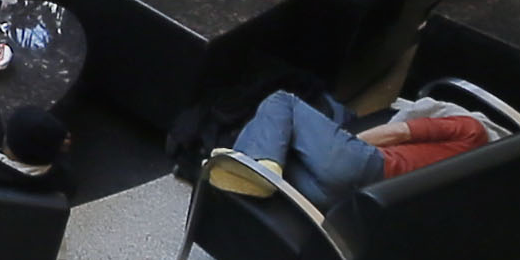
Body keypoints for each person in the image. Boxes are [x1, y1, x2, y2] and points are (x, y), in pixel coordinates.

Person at [205, 85, 494, 226]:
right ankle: (257, 167)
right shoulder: (478, 177)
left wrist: (343, 141)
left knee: (282, 101)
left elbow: (398, 133)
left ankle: (257, 165)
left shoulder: (472, 128)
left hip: (365, 165)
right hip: (347, 200)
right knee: (284, 148)